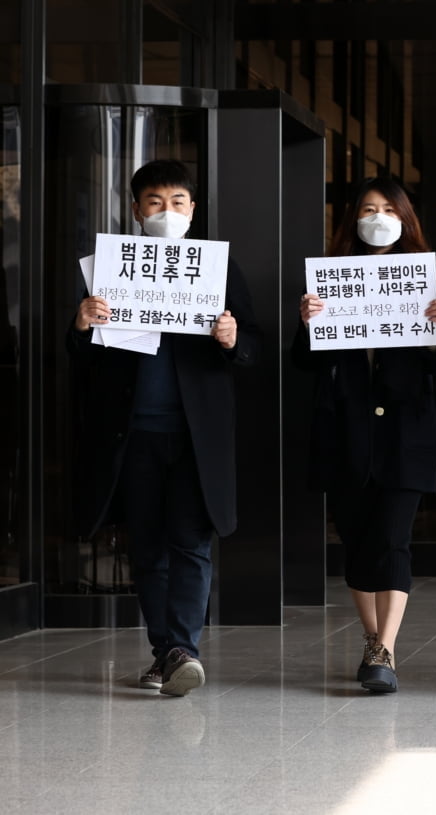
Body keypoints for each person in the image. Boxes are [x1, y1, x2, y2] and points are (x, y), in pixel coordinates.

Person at [67, 159, 262, 696]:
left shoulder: (218, 270)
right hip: (134, 435)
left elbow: (253, 348)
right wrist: (82, 325)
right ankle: (168, 652)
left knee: (191, 544)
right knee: (148, 548)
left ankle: (181, 649)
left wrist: (230, 337)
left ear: (193, 210)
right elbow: (82, 364)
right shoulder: (112, 270)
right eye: (155, 201)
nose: (166, 211)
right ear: (136, 210)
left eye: (178, 201)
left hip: (197, 438)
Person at [293, 177, 436, 694]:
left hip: (406, 430)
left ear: (406, 219)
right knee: (357, 537)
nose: (377, 217)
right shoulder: (329, 282)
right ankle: (372, 640)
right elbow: (303, 362)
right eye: (367, 208)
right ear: (352, 219)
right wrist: (308, 321)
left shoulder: (430, 284)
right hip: (346, 429)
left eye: (388, 208)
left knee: (392, 537)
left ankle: (386, 647)